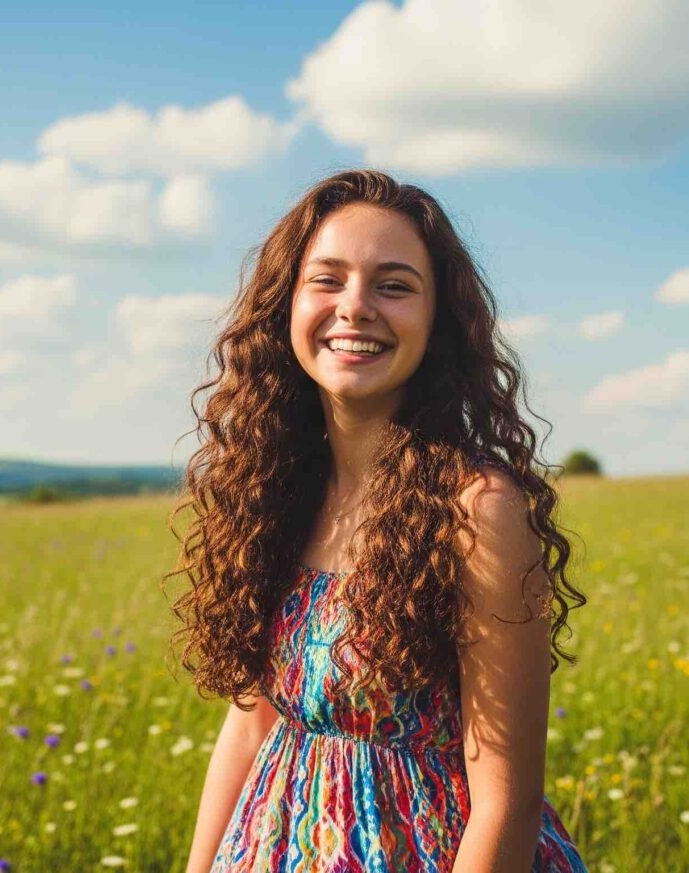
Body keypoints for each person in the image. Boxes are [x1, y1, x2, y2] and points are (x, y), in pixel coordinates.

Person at [167, 169, 589, 872]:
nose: (355, 307)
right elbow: (251, 724)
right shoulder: (276, 490)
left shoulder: (477, 509)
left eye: (394, 285)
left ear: (438, 323)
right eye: (327, 279)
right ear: (286, 304)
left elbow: (506, 801)